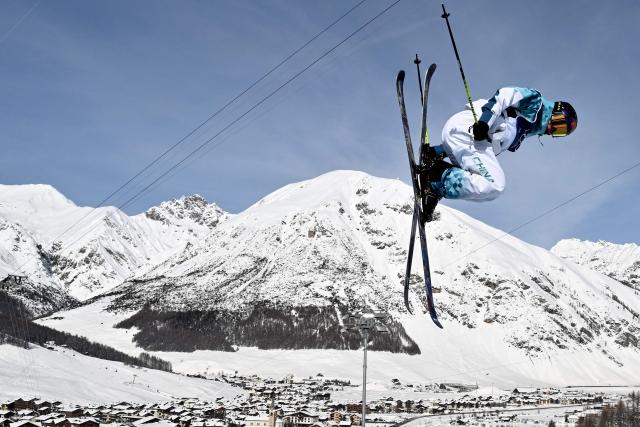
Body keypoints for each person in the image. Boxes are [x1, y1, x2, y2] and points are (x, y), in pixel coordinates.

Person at [419, 87, 577, 220]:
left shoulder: (527, 128)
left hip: (460, 137)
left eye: (560, 133)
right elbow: (504, 94)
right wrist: (484, 122)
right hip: (470, 125)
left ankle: (434, 168)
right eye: (559, 125)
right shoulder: (535, 102)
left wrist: (437, 151)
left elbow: (478, 152)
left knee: (489, 185)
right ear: (556, 111)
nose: (553, 131)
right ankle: (436, 179)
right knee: (495, 185)